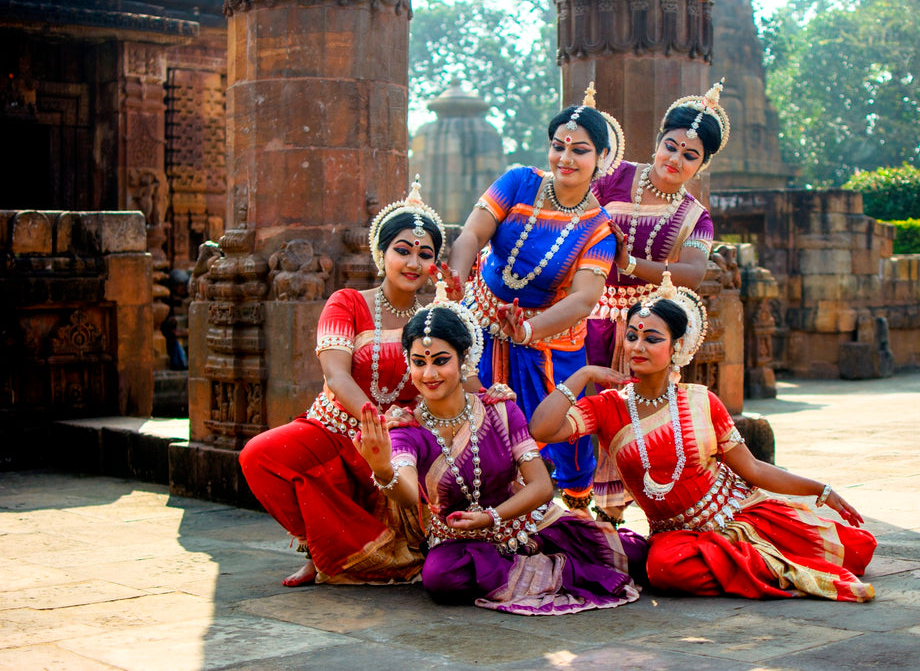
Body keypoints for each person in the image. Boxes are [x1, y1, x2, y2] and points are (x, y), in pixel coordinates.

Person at [530, 272, 877, 601]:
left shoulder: (700, 400)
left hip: (739, 516)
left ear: (676, 346)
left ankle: (751, 557)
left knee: (858, 550)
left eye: (652, 339)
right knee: (665, 570)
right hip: (677, 537)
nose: (638, 346)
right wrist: (583, 373)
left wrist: (820, 489)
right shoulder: (609, 406)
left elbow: (752, 469)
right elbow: (541, 429)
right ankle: (761, 566)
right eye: (632, 336)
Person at [357, 280, 644, 614]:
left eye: (440, 360)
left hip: (524, 523)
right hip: (459, 541)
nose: (429, 373)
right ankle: (551, 570)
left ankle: (540, 562)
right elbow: (408, 493)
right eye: (419, 362)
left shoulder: (499, 409)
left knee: (635, 558)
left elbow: (539, 486)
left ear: (464, 359)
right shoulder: (407, 428)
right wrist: (381, 468)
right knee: (440, 579)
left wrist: (492, 517)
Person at [238, 180, 447, 587]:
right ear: (380, 253)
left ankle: (370, 551)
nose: (412, 263)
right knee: (258, 456)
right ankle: (320, 551)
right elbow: (336, 373)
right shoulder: (348, 301)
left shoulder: (437, 315)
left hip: (404, 441)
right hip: (336, 425)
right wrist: (372, 421)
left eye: (425, 254)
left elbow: (459, 382)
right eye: (402, 250)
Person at [444, 83, 625, 514]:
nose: (565, 158)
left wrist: (528, 330)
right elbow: (472, 232)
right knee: (477, 423)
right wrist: (456, 275)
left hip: (550, 337)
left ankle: (577, 519)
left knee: (563, 439)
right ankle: (488, 512)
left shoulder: (599, 228)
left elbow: (584, 299)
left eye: (579, 150)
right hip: (482, 318)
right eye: (558, 146)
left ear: (600, 158)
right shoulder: (518, 181)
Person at [587, 80, 730, 525]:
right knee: (572, 410)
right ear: (658, 142)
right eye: (671, 146)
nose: (675, 159)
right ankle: (567, 509)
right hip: (583, 311)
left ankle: (610, 519)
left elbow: (692, 273)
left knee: (625, 419)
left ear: (702, 165)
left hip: (639, 328)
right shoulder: (611, 176)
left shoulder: (694, 216)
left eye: (690, 156)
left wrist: (631, 263)